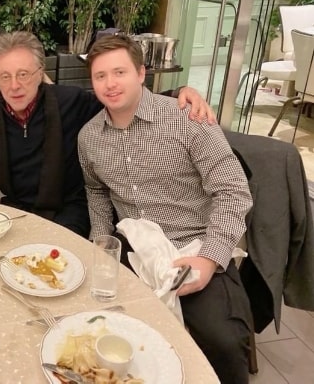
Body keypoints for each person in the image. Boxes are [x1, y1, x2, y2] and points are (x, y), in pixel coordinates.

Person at [77, 34, 253, 384]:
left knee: (224, 341)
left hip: (196, 241)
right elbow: (96, 191)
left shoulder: (187, 118)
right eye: (100, 76)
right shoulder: (89, 137)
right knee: (105, 329)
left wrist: (208, 258)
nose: (110, 84)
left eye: (120, 72)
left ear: (142, 73)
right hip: (135, 243)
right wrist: (100, 242)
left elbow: (234, 191)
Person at [0, 31, 215, 238]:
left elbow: (122, 100)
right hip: (16, 212)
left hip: (69, 211)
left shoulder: (71, 102)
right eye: (4, 76)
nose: (14, 86)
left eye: (23, 74)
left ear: (40, 72)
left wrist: (179, 92)